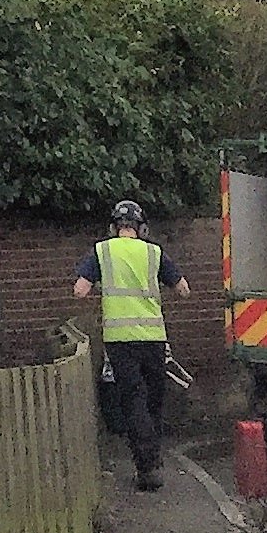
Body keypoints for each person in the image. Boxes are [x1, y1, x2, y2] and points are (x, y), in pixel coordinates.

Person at [72, 196, 190, 490]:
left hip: (119, 341)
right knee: (153, 400)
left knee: (133, 400)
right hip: (153, 339)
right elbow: (184, 290)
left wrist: (103, 284)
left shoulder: (102, 251)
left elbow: (79, 291)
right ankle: (153, 460)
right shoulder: (154, 253)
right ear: (142, 228)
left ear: (114, 227)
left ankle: (147, 466)